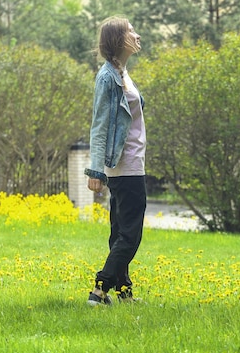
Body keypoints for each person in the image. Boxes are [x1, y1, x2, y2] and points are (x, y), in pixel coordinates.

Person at [84, 16, 146, 306]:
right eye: (131, 31)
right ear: (118, 39)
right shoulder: (107, 76)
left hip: (130, 164)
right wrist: (95, 170)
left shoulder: (122, 72)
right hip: (126, 166)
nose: (137, 34)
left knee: (119, 232)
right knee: (130, 235)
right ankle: (100, 289)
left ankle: (124, 292)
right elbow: (99, 126)